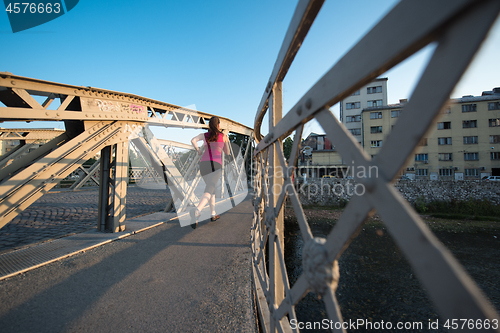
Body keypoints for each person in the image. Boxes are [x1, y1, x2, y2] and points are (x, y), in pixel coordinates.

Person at [189, 116, 230, 229]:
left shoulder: (205, 135)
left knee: (210, 188)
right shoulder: (223, 136)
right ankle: (197, 211)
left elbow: (193, 140)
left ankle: (213, 214)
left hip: (204, 164)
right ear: (218, 125)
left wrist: (198, 150)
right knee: (210, 188)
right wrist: (226, 141)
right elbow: (227, 152)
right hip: (215, 165)